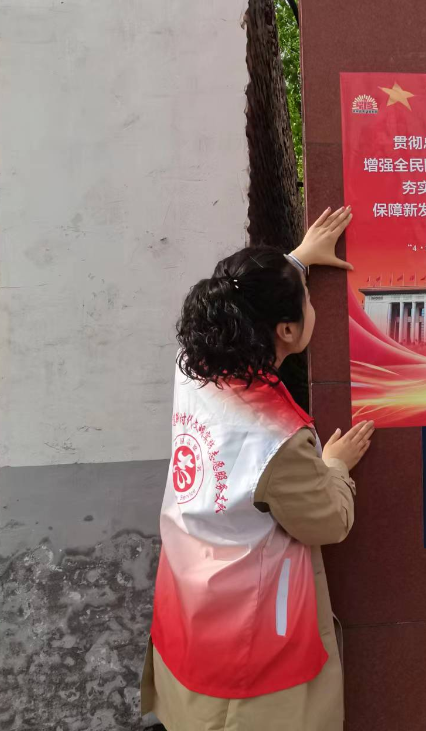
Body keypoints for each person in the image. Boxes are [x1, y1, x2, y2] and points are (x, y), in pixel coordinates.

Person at [141, 207, 374, 731]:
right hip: (249, 635)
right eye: (306, 299)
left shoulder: (194, 364)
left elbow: (241, 301)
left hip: (187, 596)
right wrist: (335, 467)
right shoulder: (278, 436)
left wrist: (296, 261)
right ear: (287, 330)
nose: (312, 305)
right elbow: (327, 522)